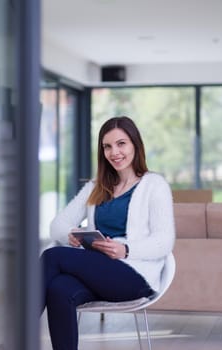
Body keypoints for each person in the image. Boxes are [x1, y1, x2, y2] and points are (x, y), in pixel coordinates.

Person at [41, 116, 175, 350]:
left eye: (121, 143)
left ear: (135, 144)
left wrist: (125, 249)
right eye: (107, 146)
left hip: (134, 276)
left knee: (53, 256)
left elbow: (164, 241)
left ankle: (13, 339)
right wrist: (71, 233)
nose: (114, 152)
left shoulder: (155, 185)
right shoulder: (96, 186)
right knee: (58, 288)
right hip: (98, 272)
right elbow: (57, 225)